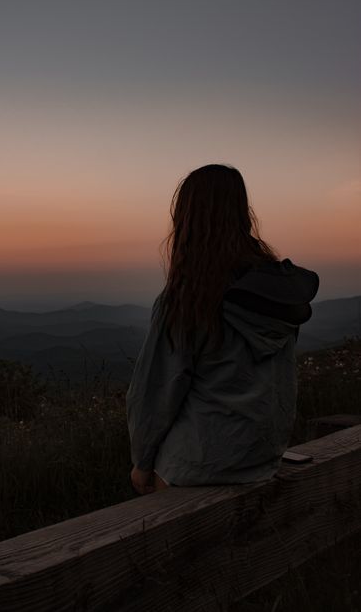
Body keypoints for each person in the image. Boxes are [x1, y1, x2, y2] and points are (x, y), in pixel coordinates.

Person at [126, 164, 319, 495]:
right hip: (262, 459)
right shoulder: (278, 292)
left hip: (197, 463)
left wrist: (142, 464)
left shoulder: (187, 299)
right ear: (243, 214)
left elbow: (155, 391)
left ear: (187, 221)